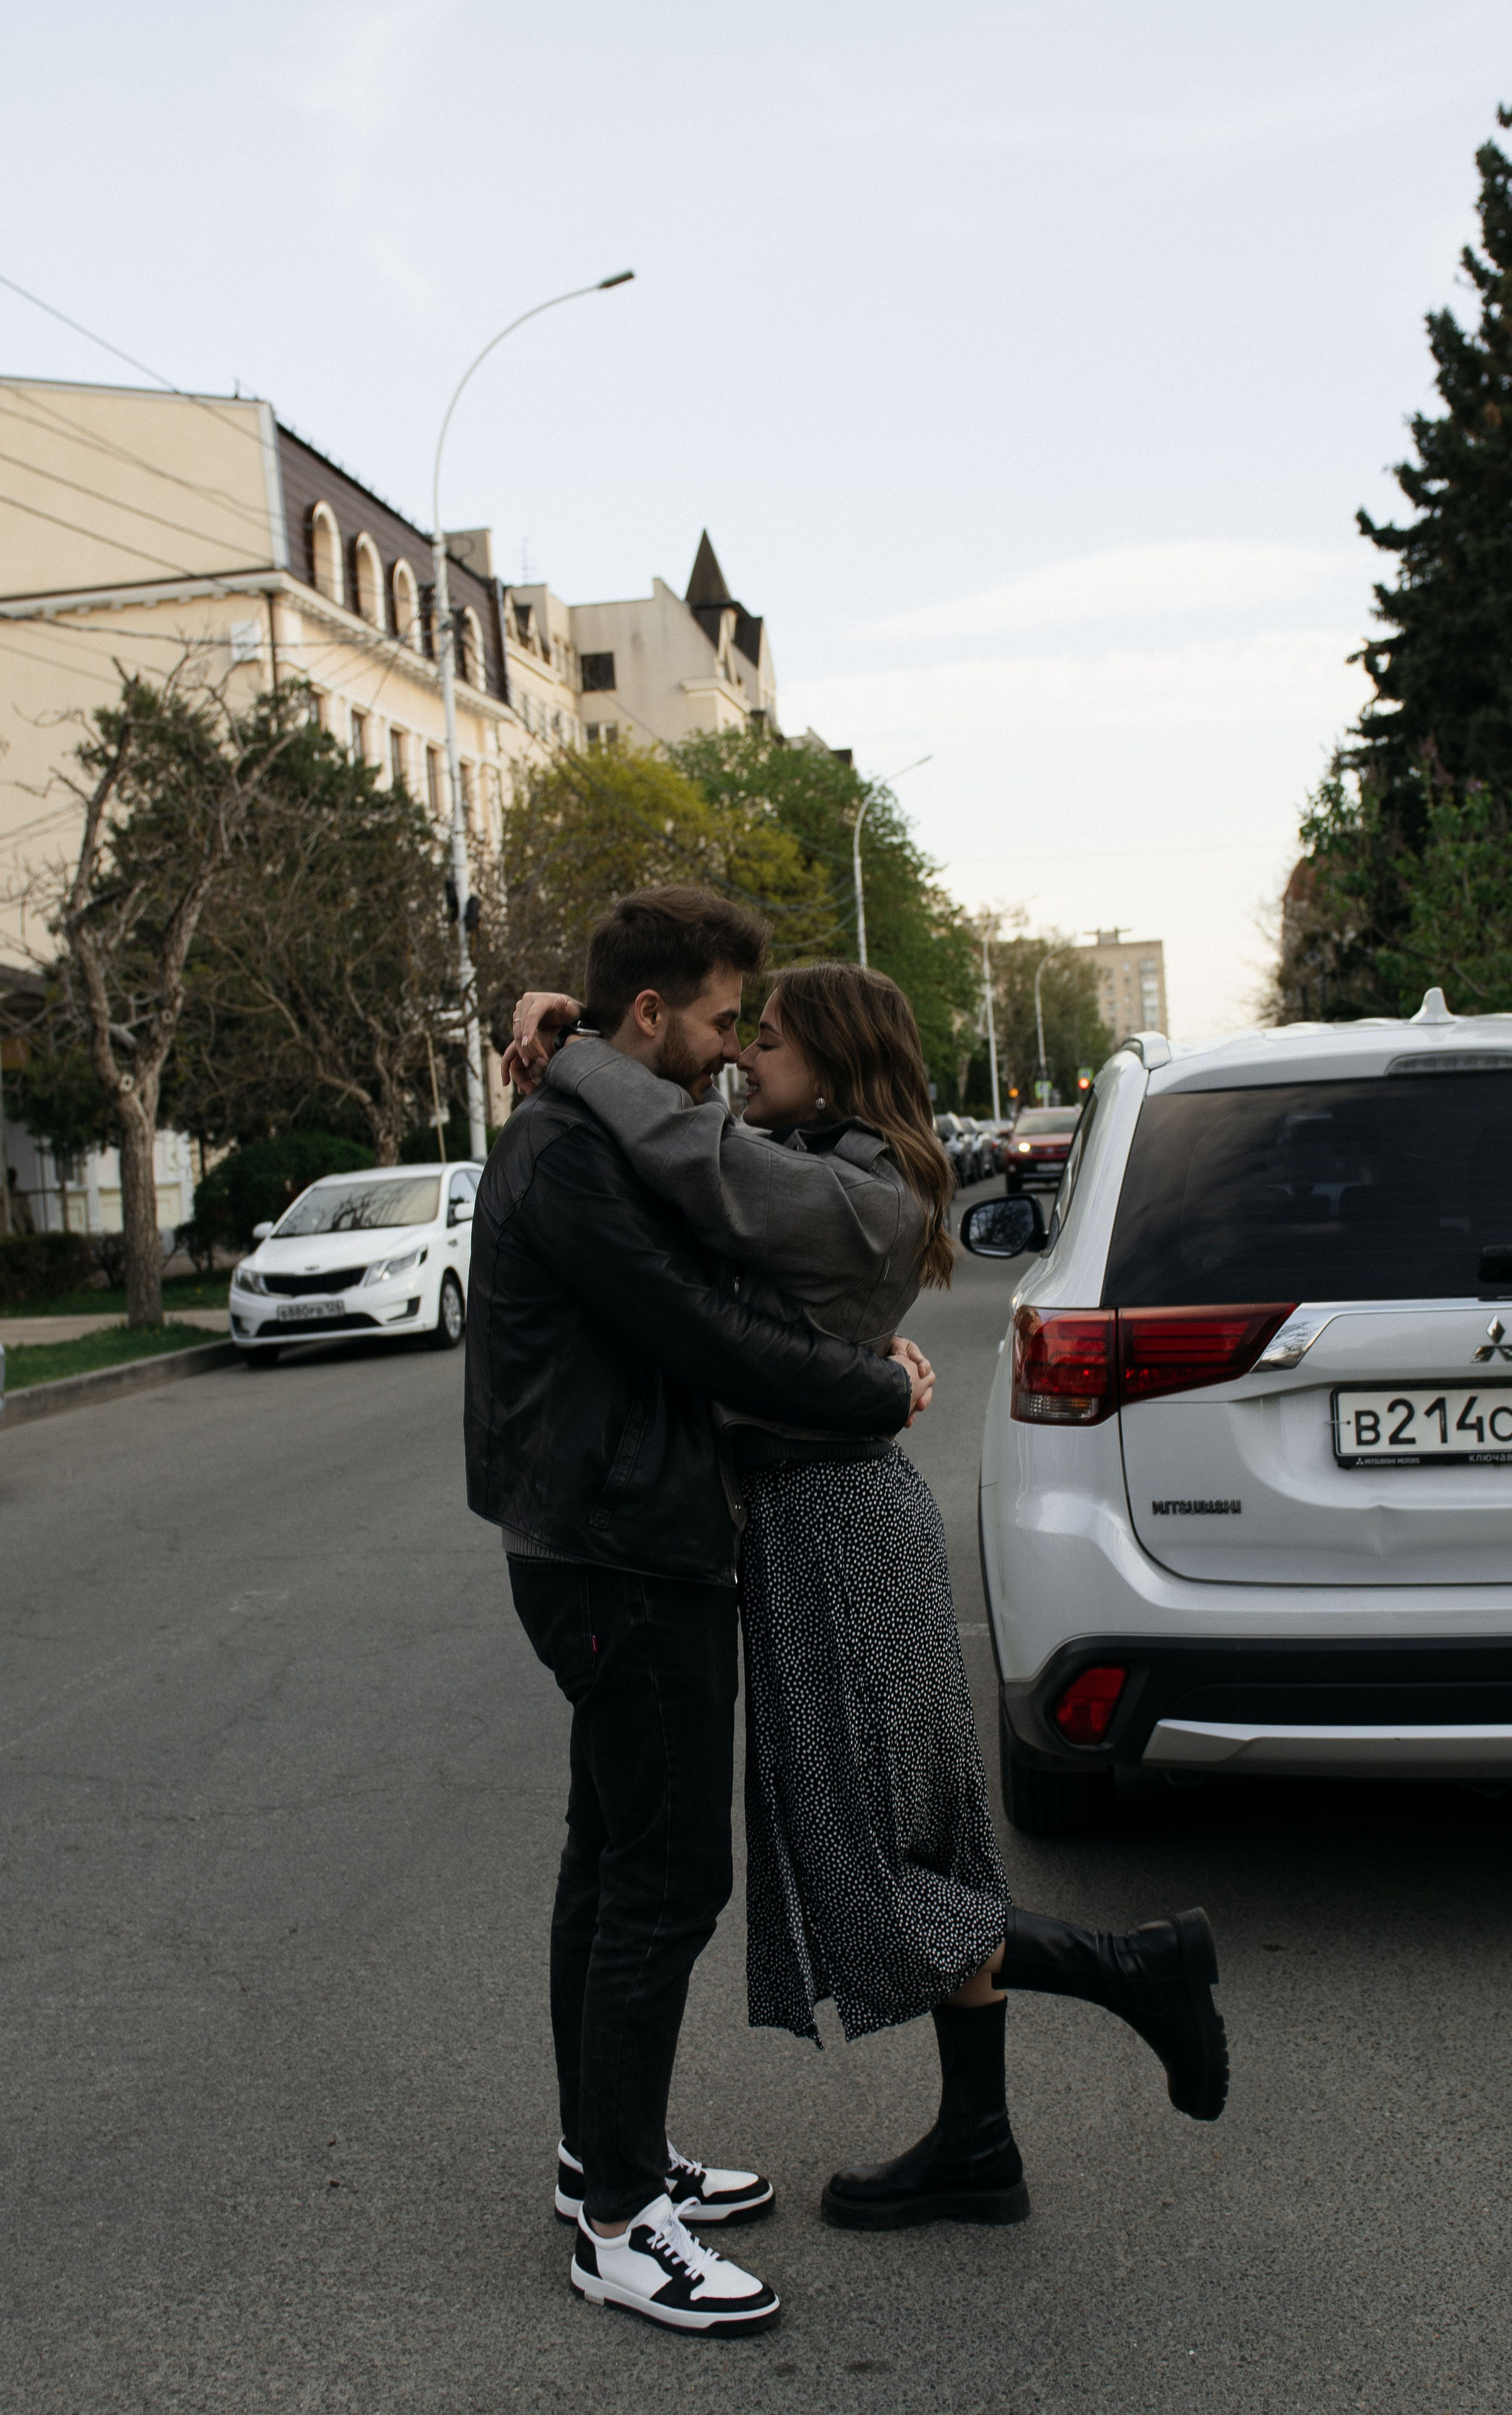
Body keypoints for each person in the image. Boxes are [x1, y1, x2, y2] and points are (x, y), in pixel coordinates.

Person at [508, 958, 1228, 2235]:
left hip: (833, 1527)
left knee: (867, 1869)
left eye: (767, 1039)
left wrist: (570, 1049)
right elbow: (674, 1147)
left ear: (835, 1057)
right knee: (910, 1847)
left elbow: (693, 1165)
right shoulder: (817, 1153)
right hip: (815, 1519)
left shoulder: (852, 1182)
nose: (740, 1060)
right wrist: (570, 1028)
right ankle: (976, 2143)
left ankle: (1136, 1970)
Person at [466, 889, 932, 2336]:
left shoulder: (576, 1127)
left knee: (608, 1863)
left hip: (610, 1538)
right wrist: (877, 1390)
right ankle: (619, 2226)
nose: (735, 1053)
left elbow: (715, 1236)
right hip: (625, 1553)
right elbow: (696, 1325)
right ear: (652, 1014)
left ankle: (599, 2156)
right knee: (662, 1883)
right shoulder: (566, 1150)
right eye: (724, 1021)